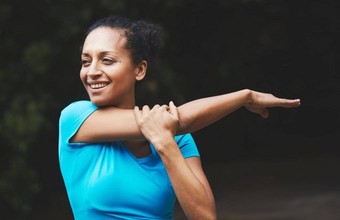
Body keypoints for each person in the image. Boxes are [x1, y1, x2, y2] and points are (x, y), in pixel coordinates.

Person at [58, 15, 300, 220]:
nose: (92, 72)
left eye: (107, 60)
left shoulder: (179, 139)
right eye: (86, 61)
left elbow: (205, 215)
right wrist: (245, 96)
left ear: (139, 69)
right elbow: (179, 119)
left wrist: (165, 144)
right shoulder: (75, 118)